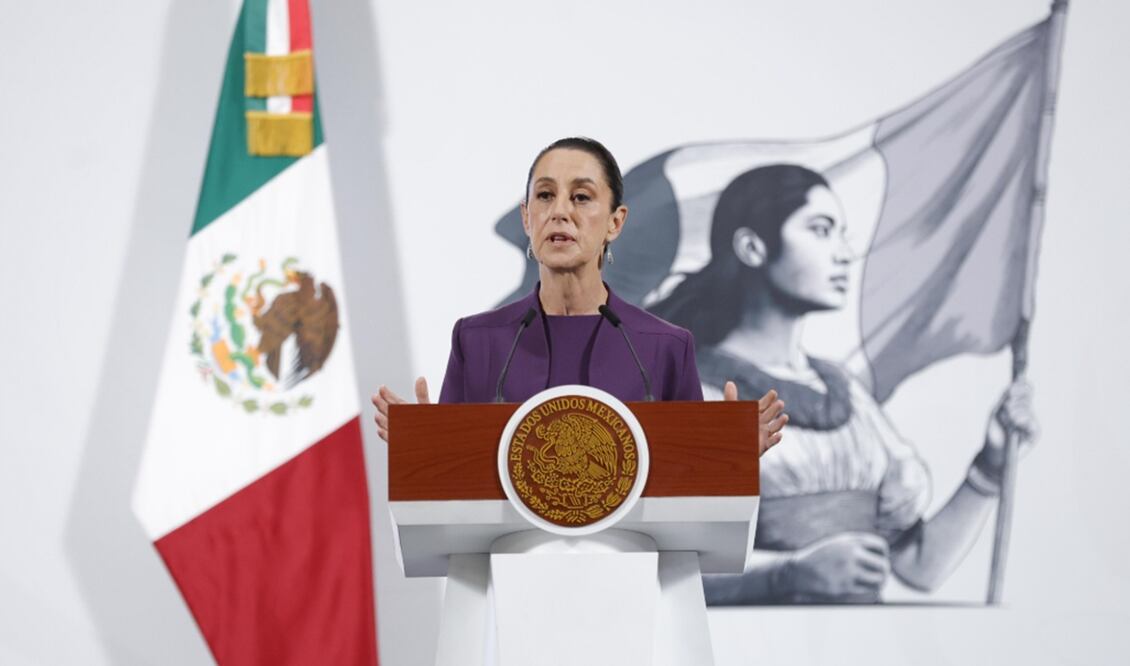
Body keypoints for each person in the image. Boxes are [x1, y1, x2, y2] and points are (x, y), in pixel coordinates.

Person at [648, 164, 1037, 604]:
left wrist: (990, 465)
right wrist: (786, 576)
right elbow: (660, 570)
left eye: (841, 233)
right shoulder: (692, 388)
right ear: (752, 247)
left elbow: (918, 567)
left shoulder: (847, 393)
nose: (843, 252)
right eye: (821, 230)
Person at [372, 137, 787, 454]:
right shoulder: (477, 341)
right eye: (545, 195)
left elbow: (691, 484)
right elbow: (453, 484)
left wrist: (730, 454)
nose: (560, 212)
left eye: (582, 197)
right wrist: (424, 449)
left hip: (628, 567)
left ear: (615, 222)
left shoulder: (666, 347)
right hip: (513, 567)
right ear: (526, 217)